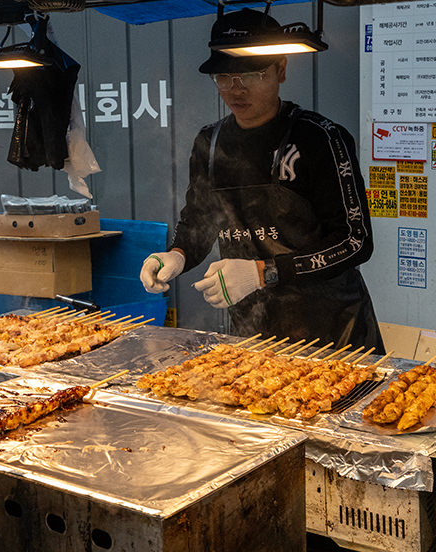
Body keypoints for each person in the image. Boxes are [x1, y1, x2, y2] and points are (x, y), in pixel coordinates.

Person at [140, 8, 384, 352]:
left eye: (251, 74)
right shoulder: (208, 144)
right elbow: (198, 221)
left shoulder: (321, 139)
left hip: (334, 332)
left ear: (280, 69)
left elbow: (355, 241)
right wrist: (177, 255)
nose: (235, 89)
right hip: (253, 331)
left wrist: (261, 272)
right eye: (224, 77)